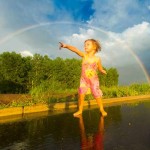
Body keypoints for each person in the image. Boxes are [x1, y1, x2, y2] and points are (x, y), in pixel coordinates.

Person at [59, 39, 107, 117]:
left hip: (94, 80)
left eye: (88, 44)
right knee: (81, 94)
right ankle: (80, 110)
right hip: (84, 80)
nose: (85, 46)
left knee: (96, 93)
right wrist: (66, 46)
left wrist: (102, 70)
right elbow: (75, 50)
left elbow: (100, 68)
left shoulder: (97, 59)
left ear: (94, 47)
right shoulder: (84, 55)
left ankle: (101, 109)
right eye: (84, 45)